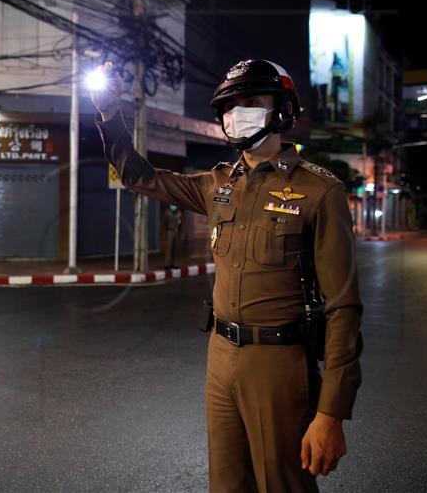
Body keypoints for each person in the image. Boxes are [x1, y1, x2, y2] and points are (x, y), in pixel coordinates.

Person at [89, 59, 363, 492]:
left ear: (282, 110)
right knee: (227, 483)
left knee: (282, 483)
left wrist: (331, 413)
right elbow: (139, 176)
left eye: (252, 101)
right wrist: (109, 114)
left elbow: (344, 307)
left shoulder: (319, 192)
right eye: (231, 105)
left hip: (278, 363)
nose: (238, 113)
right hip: (220, 356)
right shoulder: (218, 185)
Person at [163, 204, 183, 269]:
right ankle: (167, 264)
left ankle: (174, 263)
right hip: (169, 231)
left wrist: (182, 233)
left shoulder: (179, 213)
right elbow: (164, 224)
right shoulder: (167, 212)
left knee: (176, 248)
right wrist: (164, 234)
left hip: (177, 232)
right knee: (169, 248)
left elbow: (181, 224)